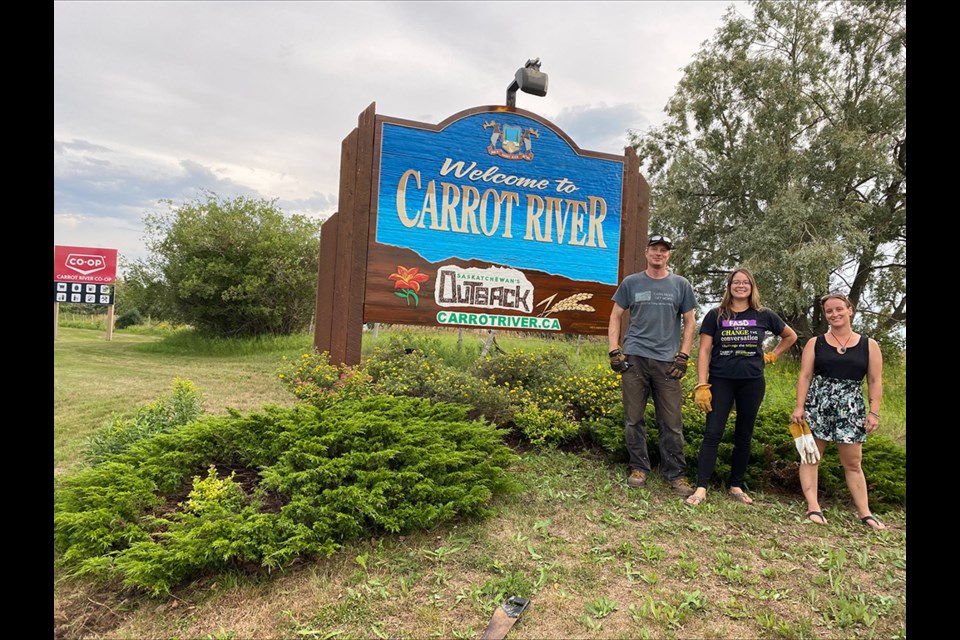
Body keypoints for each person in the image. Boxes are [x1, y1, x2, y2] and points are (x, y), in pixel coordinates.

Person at [686, 268, 797, 506]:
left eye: (745, 282)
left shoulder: (764, 314)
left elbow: (790, 336)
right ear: (729, 287)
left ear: (752, 287)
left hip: (752, 382)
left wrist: (773, 355)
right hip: (720, 380)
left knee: (743, 435)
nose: (740, 286)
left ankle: (735, 485)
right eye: (736, 282)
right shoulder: (715, 315)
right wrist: (701, 384)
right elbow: (704, 350)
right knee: (712, 433)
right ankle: (701, 487)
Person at [608, 234, 698, 496]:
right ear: (646, 253)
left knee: (671, 422)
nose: (659, 253)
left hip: (668, 363)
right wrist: (614, 350)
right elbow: (615, 316)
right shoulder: (631, 283)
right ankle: (639, 467)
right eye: (654, 249)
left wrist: (683, 356)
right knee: (633, 419)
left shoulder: (681, 285)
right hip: (634, 359)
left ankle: (676, 474)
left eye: (664, 250)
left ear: (669, 255)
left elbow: (690, 321)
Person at [792, 292, 886, 529]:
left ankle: (865, 512)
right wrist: (799, 406)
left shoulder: (869, 345)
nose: (834, 314)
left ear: (849, 310)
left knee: (853, 463)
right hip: (818, 405)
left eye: (838, 309)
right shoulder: (816, 343)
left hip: (851, 409)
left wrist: (874, 412)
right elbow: (805, 375)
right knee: (811, 457)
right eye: (829, 311)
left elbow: (875, 380)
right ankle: (813, 506)